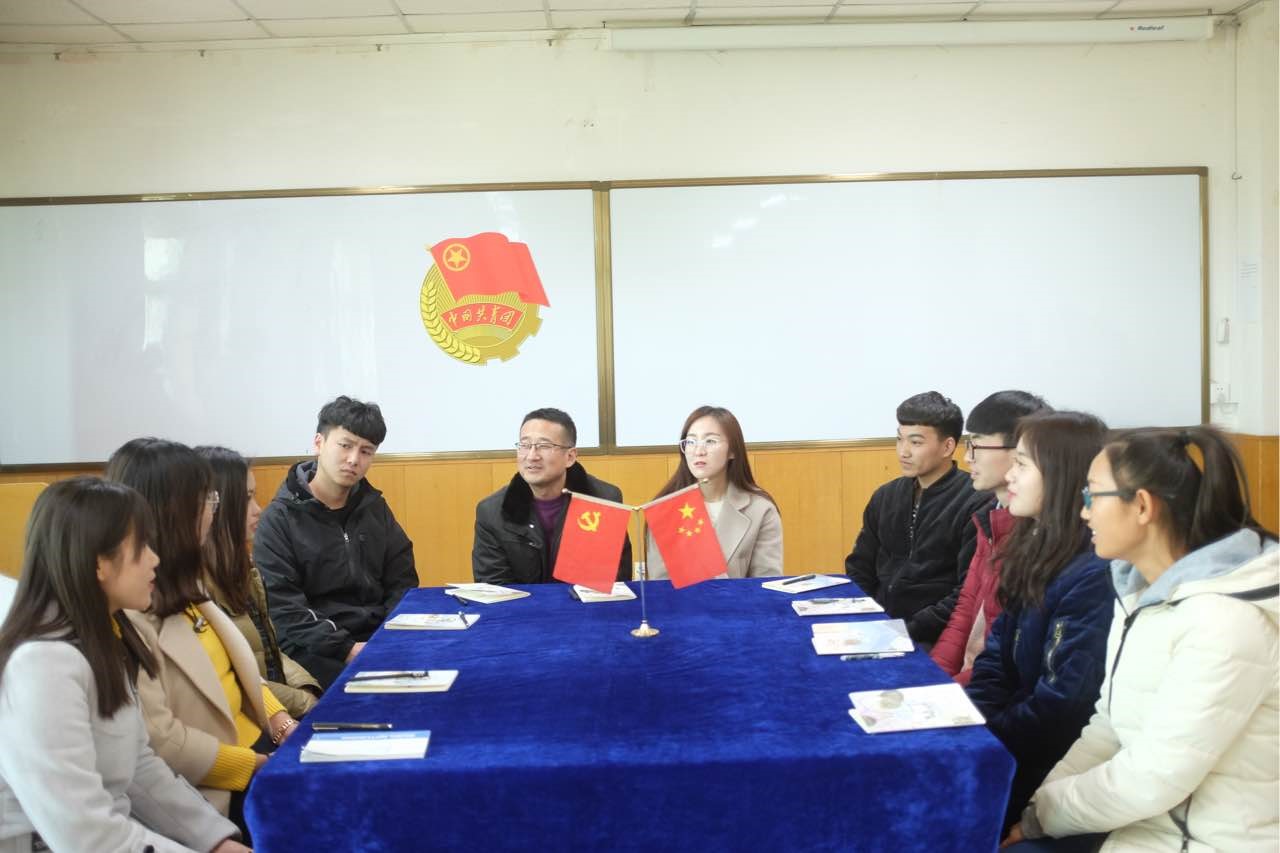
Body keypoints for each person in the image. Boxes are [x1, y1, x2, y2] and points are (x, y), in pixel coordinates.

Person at [1004, 426, 1278, 852]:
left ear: (1143, 506)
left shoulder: (1222, 620)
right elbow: (1107, 727)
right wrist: (1036, 810)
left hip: (1205, 840)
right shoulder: (1140, 593)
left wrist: (1043, 818)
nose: (1084, 513)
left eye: (1093, 496)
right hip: (1143, 826)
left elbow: (1153, 777)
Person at [0, 477, 247, 853]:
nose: (155, 559)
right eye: (142, 546)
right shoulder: (42, 665)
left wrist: (217, 840)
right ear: (100, 562)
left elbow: (138, 767)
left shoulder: (105, 635)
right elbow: (85, 835)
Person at [106, 438, 297, 831]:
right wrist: (257, 764)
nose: (214, 510)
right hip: (220, 784)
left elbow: (242, 675)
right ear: (173, 511)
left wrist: (282, 722)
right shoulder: (128, 610)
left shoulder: (186, 584)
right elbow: (162, 741)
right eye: (208, 499)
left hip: (260, 749)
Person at [965, 411, 1113, 832]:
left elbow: (1060, 708)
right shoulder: (1031, 545)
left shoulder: (1093, 572)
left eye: (1022, 464)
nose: (1009, 475)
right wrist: (971, 725)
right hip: (1011, 740)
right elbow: (994, 660)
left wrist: (984, 744)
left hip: (1053, 765)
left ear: (1061, 474)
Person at [254, 396, 417, 689]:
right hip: (314, 649)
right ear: (319, 443)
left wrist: (392, 636)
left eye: (366, 451)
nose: (354, 459)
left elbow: (402, 580)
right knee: (377, 692)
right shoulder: (278, 520)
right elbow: (285, 608)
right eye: (345, 445)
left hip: (377, 637)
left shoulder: (374, 507)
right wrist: (348, 649)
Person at [844, 391, 991, 642]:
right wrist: (863, 619)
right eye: (899, 439)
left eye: (916, 442)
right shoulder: (886, 495)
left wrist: (906, 631)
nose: (903, 452)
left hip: (934, 635)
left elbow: (967, 591)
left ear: (948, 446)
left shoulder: (975, 501)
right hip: (878, 625)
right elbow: (860, 568)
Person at [932, 390, 1051, 684]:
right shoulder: (990, 515)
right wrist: (933, 675)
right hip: (967, 681)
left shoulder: (1034, 532)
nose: (966, 457)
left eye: (977, 445)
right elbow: (965, 609)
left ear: (1018, 451)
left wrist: (946, 690)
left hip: (989, 687)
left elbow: (1002, 656)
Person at [196, 446, 320, 718]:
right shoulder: (195, 586)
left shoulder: (241, 568)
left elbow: (270, 652)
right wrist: (305, 703)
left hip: (278, 704)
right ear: (215, 506)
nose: (258, 510)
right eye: (247, 498)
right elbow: (235, 680)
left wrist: (307, 690)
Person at [473, 407, 632, 585]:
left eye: (544, 446)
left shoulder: (603, 501)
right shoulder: (492, 511)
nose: (532, 456)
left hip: (582, 601)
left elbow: (612, 581)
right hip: (522, 603)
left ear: (570, 456)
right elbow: (494, 586)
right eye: (525, 445)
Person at [647, 405, 783, 579]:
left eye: (710, 441)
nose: (699, 451)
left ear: (732, 451)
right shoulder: (666, 509)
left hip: (739, 598)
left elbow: (766, 583)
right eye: (691, 442)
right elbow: (660, 584)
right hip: (682, 598)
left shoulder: (761, 510)